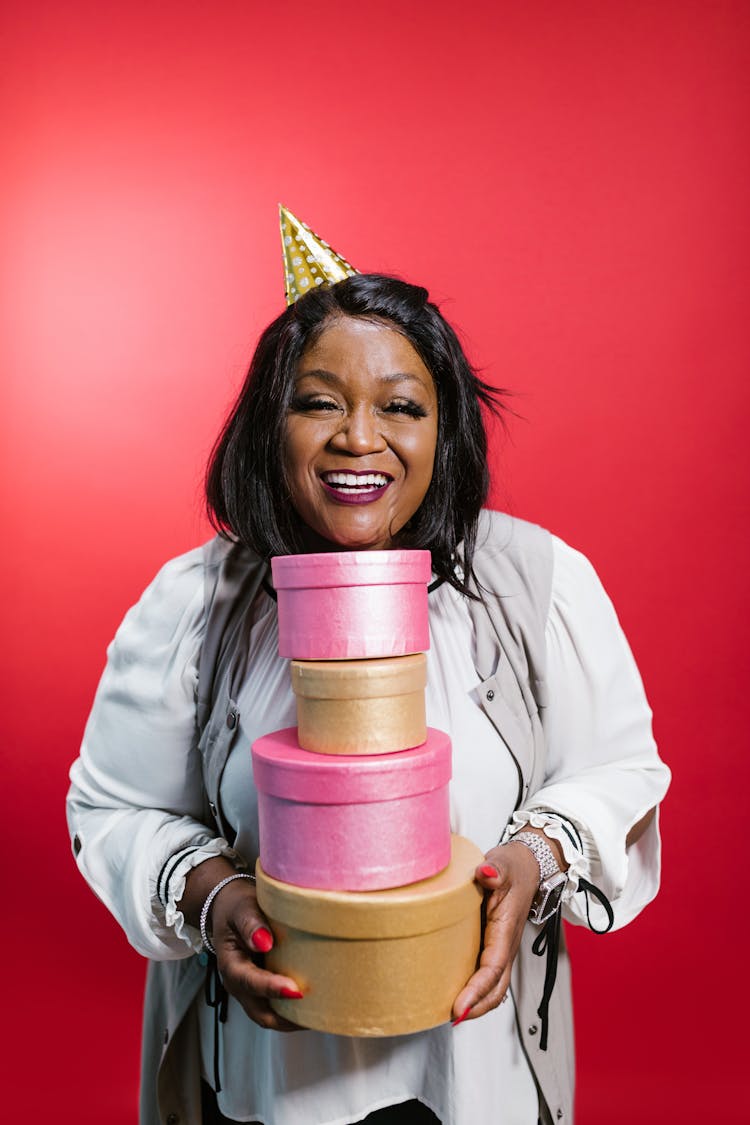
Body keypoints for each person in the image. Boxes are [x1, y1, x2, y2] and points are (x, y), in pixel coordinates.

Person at [67, 233, 670, 1125]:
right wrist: (213, 893)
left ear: (445, 427)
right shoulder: (197, 602)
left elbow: (620, 770)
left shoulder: (539, 583)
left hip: (474, 1080)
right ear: (271, 423)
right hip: (268, 1082)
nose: (360, 438)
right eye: (319, 402)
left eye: (401, 406)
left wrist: (533, 859)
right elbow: (112, 807)